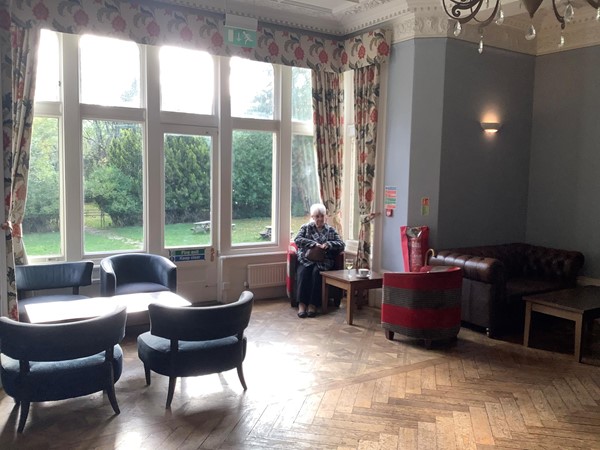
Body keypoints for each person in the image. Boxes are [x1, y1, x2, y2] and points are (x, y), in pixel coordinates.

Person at [294, 203, 345, 318]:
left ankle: (313, 304)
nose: (320, 219)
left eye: (322, 216)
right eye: (317, 216)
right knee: (304, 272)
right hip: (306, 259)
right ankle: (302, 304)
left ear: (325, 217)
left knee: (317, 273)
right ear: (312, 217)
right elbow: (297, 240)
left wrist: (329, 244)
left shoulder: (330, 230)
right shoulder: (306, 228)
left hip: (323, 260)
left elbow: (341, 244)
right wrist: (313, 244)